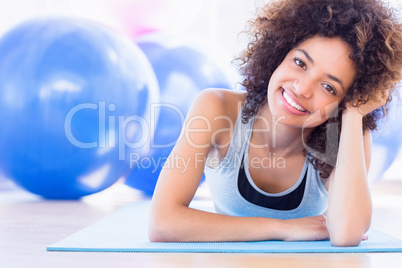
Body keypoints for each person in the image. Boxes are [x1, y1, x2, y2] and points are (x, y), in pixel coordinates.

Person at [148, 0, 402, 247]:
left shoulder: (346, 134)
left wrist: (355, 114)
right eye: (300, 63)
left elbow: (346, 234)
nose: (302, 88)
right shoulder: (217, 108)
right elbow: (162, 223)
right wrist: (283, 228)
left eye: (328, 87)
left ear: (344, 101)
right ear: (280, 52)